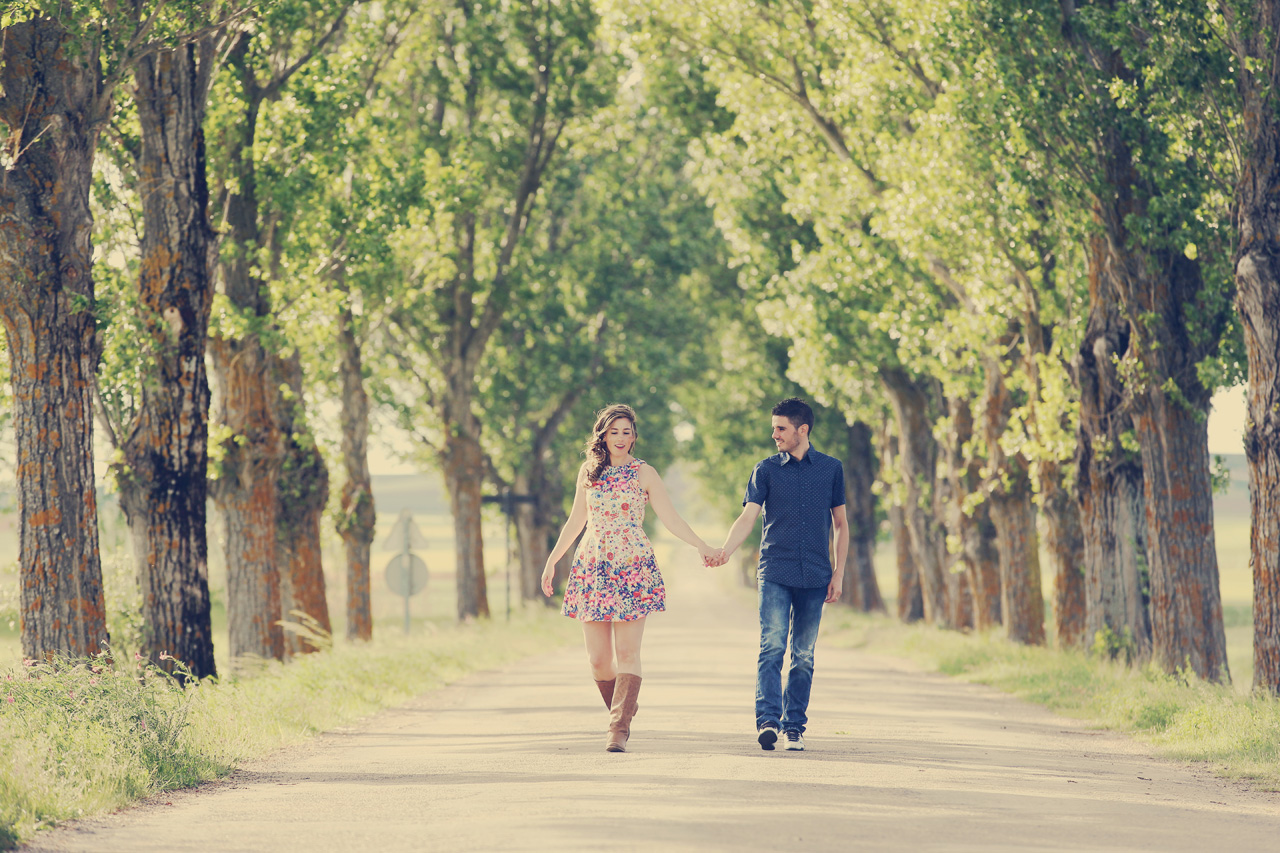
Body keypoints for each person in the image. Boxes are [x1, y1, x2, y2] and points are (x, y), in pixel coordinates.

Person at [542, 403, 722, 752]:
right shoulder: (588, 472)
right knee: (597, 659)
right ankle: (624, 704)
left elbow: (671, 518)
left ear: (634, 437)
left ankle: (618, 729)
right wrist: (552, 561)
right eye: (614, 432)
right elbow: (576, 521)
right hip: (593, 565)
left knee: (627, 651)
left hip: (632, 566)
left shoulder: (645, 473)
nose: (620, 438)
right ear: (603, 435)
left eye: (626, 432)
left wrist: (701, 545)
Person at [719, 398, 848, 752]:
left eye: (780, 428)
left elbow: (840, 524)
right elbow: (748, 517)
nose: (773, 434)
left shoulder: (831, 469)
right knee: (772, 645)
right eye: (774, 427)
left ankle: (794, 727)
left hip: (816, 574)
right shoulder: (765, 470)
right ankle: (768, 722)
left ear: (801, 430)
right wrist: (725, 551)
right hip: (775, 569)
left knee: (803, 654)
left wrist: (838, 573)